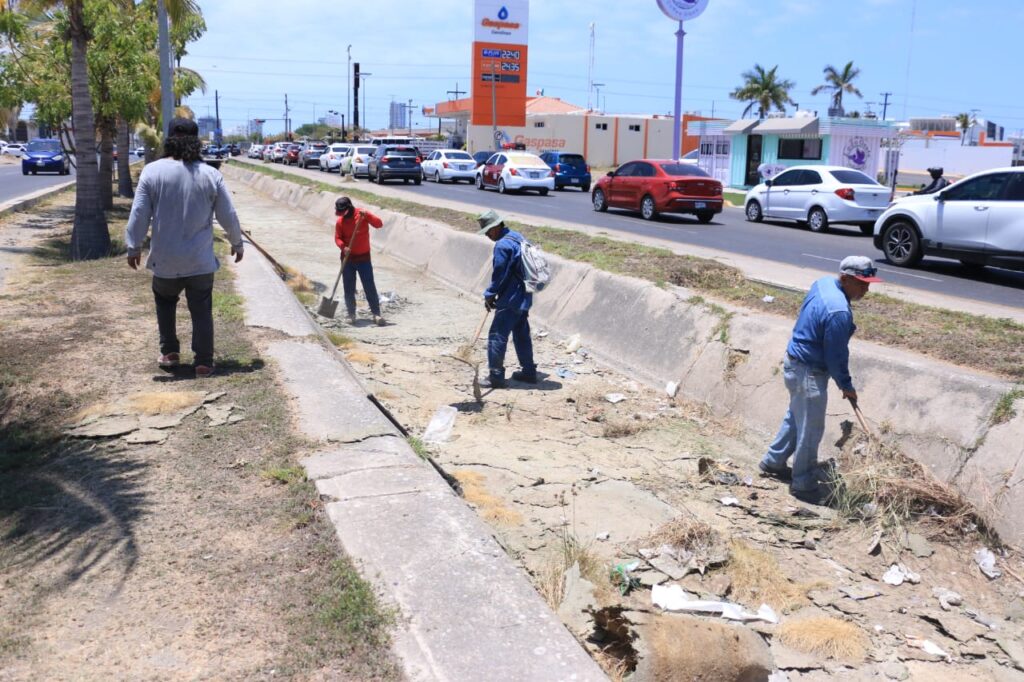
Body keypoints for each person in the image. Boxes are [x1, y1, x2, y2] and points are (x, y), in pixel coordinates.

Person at [125, 116, 244, 378]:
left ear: (169, 139)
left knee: (165, 303)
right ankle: (203, 362)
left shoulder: (152, 171)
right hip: (199, 261)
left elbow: (139, 214)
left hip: (165, 260)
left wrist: (133, 247)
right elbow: (228, 215)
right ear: (197, 141)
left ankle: (169, 353)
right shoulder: (211, 174)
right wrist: (237, 242)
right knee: (201, 309)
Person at [759, 256, 882, 505]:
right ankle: (803, 484)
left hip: (794, 362)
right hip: (808, 372)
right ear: (845, 278)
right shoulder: (839, 312)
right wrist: (847, 386)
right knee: (811, 430)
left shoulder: (823, 283)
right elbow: (836, 356)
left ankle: (773, 462)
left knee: (796, 418)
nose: (866, 290)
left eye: (868, 284)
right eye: (861, 283)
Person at [478, 209, 537, 389]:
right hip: (525, 296)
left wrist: (489, 295)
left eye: (488, 231)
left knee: (497, 335)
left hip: (511, 298)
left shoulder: (502, 245)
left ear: (496, 226)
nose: (487, 235)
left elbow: (500, 275)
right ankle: (528, 372)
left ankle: (496, 376)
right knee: (521, 335)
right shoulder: (517, 237)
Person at [334, 196, 385, 325]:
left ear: (349, 208)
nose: (340, 214)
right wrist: (343, 247)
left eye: (342, 211)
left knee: (369, 286)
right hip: (348, 260)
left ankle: (376, 314)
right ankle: (351, 315)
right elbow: (337, 238)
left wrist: (367, 214)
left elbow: (379, 224)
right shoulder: (340, 222)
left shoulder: (362, 216)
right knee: (349, 288)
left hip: (363, 259)